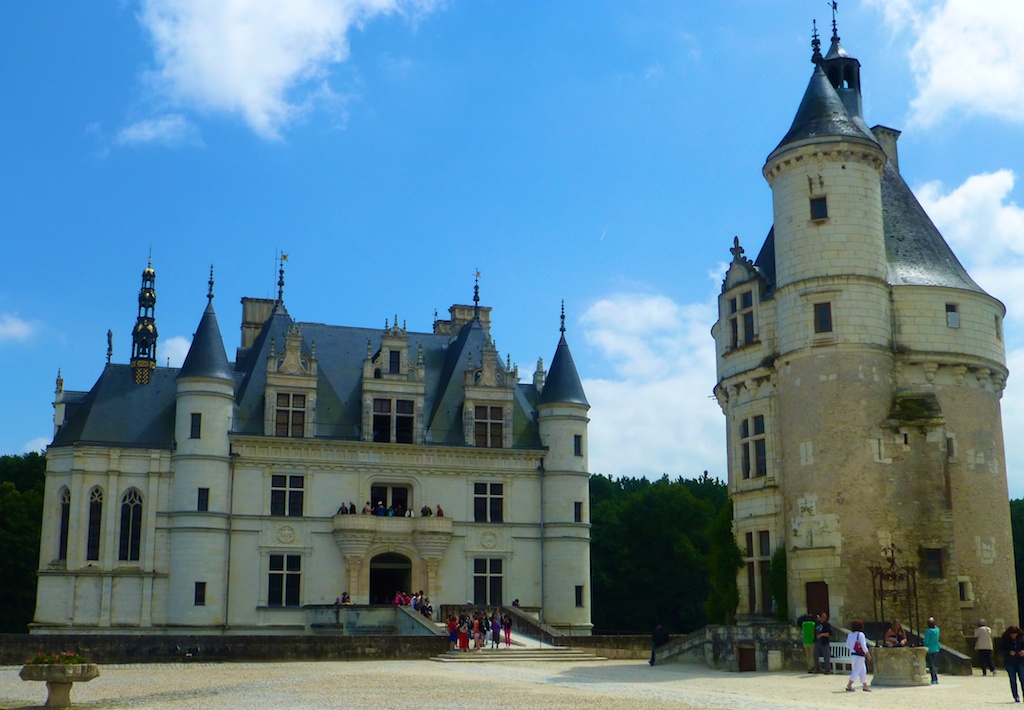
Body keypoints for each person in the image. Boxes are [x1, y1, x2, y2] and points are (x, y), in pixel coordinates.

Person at [844, 619, 872, 692]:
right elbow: (863, 646)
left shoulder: (850, 634)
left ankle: (865, 685)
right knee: (857, 670)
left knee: (862, 669)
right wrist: (868, 654)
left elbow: (847, 645)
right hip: (860, 654)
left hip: (853, 654)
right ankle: (849, 685)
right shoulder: (861, 635)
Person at [1003, 626, 1024, 702]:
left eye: (1015, 634)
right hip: (1009, 662)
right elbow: (1001, 649)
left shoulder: (1021, 639)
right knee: (1012, 679)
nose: (1013, 635)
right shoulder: (1005, 640)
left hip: (1020, 661)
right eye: (1012, 634)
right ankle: (1016, 696)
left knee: (1023, 678)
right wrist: (1009, 652)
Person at [924, 616, 940, 684]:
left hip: (929, 650)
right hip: (936, 649)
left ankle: (934, 679)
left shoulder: (927, 632)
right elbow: (936, 627)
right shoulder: (937, 630)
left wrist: (923, 642)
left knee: (931, 665)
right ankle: (935, 679)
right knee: (933, 664)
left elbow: (926, 642)